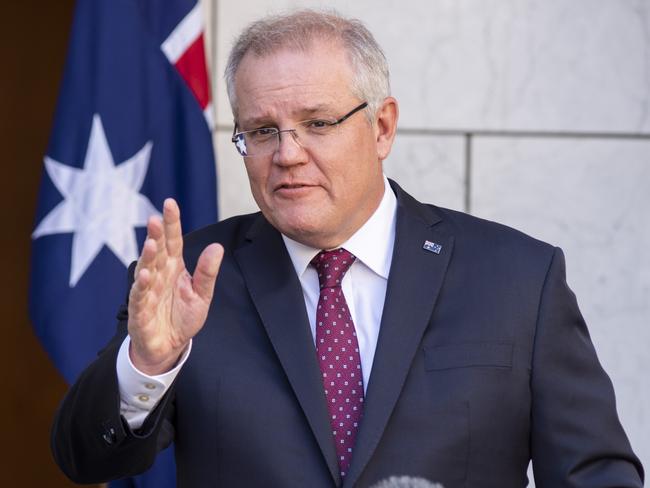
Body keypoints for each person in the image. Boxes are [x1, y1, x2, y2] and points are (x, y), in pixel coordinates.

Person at [52, 9, 644, 488]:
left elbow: (596, 474)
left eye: (317, 122)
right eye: (261, 131)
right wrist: (148, 364)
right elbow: (85, 459)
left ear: (382, 127)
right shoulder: (192, 281)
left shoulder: (519, 280)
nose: (286, 153)